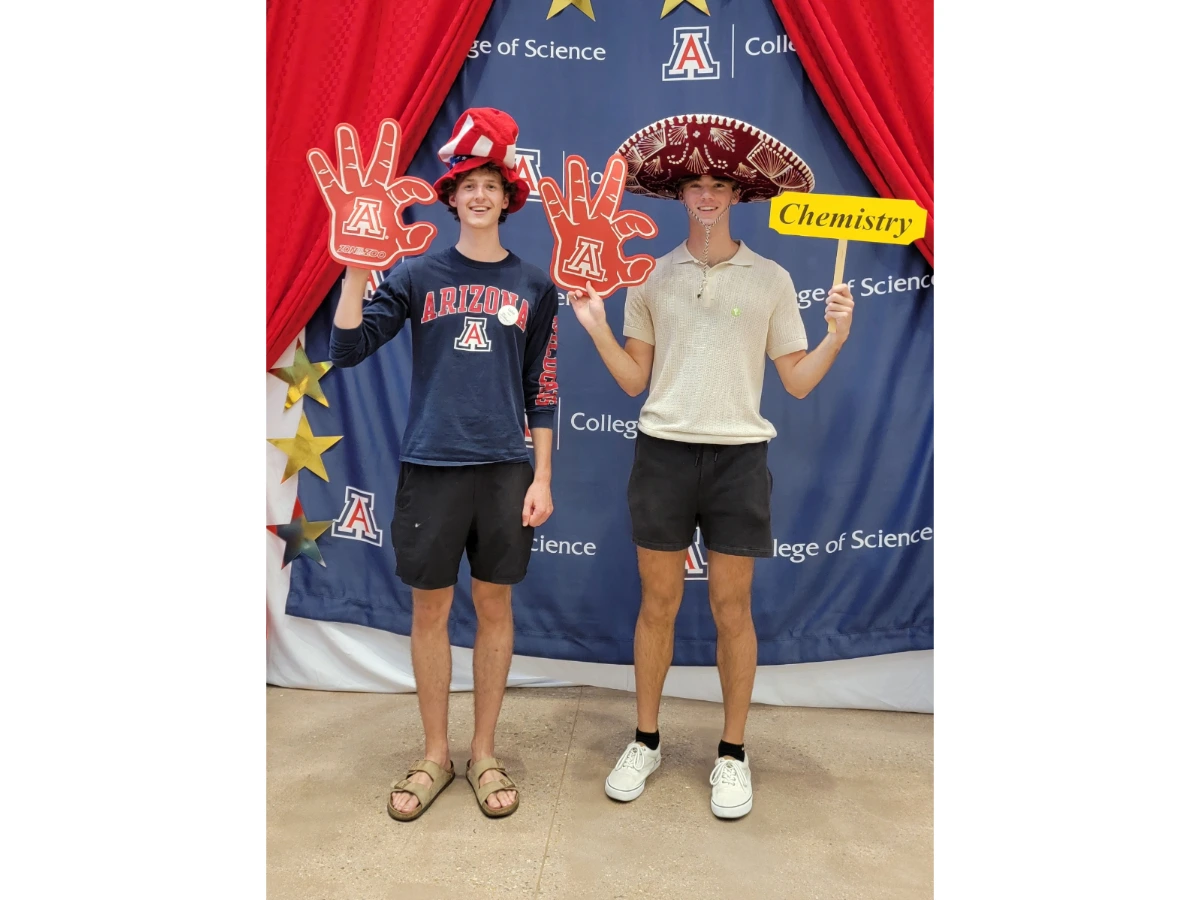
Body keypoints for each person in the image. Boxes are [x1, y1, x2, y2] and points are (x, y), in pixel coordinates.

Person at [567, 114, 854, 819]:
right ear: (680, 195)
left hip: (737, 458)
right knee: (657, 604)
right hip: (663, 452)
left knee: (733, 609)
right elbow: (635, 380)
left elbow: (797, 381)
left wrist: (837, 336)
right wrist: (597, 326)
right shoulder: (652, 276)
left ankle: (732, 754)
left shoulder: (773, 278)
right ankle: (645, 739)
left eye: (717, 183)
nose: (705, 195)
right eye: (694, 184)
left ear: (736, 194)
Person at [329, 108, 560, 821]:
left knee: (495, 607)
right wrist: (355, 268)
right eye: (470, 185)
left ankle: (483, 752)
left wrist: (542, 476)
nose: (482, 195)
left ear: (507, 196)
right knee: (430, 610)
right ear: (452, 196)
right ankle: (435, 754)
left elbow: (542, 388)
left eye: (493, 183)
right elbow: (346, 348)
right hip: (430, 465)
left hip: (504, 469)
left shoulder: (533, 284)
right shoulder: (418, 274)